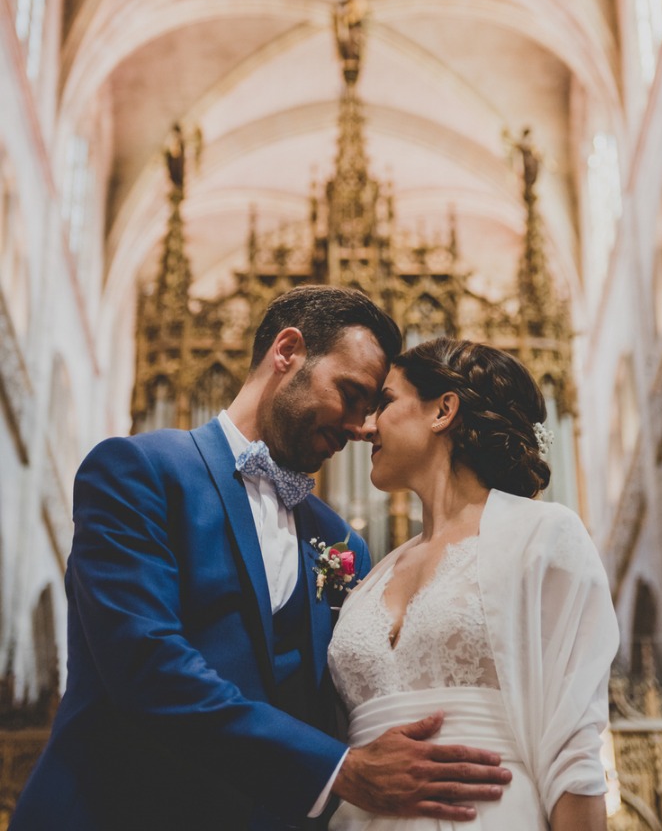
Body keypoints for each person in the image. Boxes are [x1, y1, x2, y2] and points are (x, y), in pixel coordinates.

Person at [11, 287, 510, 831]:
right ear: (287, 351)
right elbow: (146, 666)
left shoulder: (342, 542)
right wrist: (339, 770)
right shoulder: (137, 472)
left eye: (373, 409)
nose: (361, 427)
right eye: (350, 393)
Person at [328, 337, 619, 830]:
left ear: (444, 410)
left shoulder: (542, 535)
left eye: (386, 402)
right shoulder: (372, 576)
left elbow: (572, 746)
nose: (366, 425)